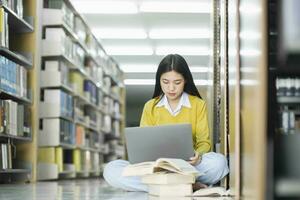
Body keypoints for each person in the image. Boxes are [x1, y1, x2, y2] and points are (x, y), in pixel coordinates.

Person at [103, 54, 229, 192]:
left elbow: (204, 143)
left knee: (219, 162)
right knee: (111, 169)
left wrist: (197, 156)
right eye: (165, 82)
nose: (171, 88)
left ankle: (160, 185)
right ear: (159, 80)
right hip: (157, 168)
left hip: (188, 167)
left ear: (185, 80)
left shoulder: (198, 104)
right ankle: (186, 185)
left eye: (177, 82)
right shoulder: (150, 106)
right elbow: (144, 144)